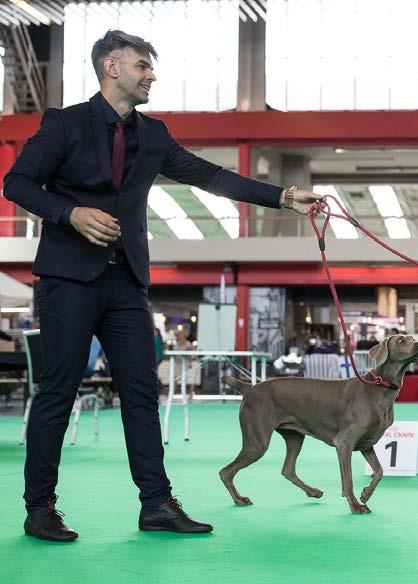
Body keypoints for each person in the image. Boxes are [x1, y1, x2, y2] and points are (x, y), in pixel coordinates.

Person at [4, 30, 322, 542]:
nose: (151, 74)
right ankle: (39, 508)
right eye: (142, 66)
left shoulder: (153, 135)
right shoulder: (63, 124)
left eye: (150, 67)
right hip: (67, 280)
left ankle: (156, 503)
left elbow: (208, 175)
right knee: (57, 393)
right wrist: (70, 213)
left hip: (126, 281)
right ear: (111, 67)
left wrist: (282, 196)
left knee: (141, 394)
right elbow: (15, 183)